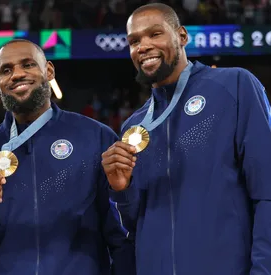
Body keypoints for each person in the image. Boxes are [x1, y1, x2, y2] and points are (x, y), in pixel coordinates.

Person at [103, 3, 271, 275]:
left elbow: (267, 191)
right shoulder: (134, 127)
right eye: (134, 41)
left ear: (181, 36)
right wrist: (121, 190)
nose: (142, 46)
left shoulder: (234, 86)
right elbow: (134, 224)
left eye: (154, 34)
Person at [0, 39, 136, 275]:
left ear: (48, 71)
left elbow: (121, 237)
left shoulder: (96, 138)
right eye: (6, 70)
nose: (17, 74)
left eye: (28, 65)